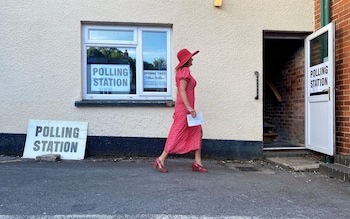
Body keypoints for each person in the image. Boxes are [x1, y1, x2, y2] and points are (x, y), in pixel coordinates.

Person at [153, 48, 208, 173]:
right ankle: (161, 159)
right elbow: (182, 91)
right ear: (187, 60)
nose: (192, 59)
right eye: (191, 57)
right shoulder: (185, 71)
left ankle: (197, 162)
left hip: (186, 108)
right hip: (184, 109)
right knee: (176, 133)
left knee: (197, 131)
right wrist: (189, 107)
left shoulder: (182, 71)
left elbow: (182, 91)